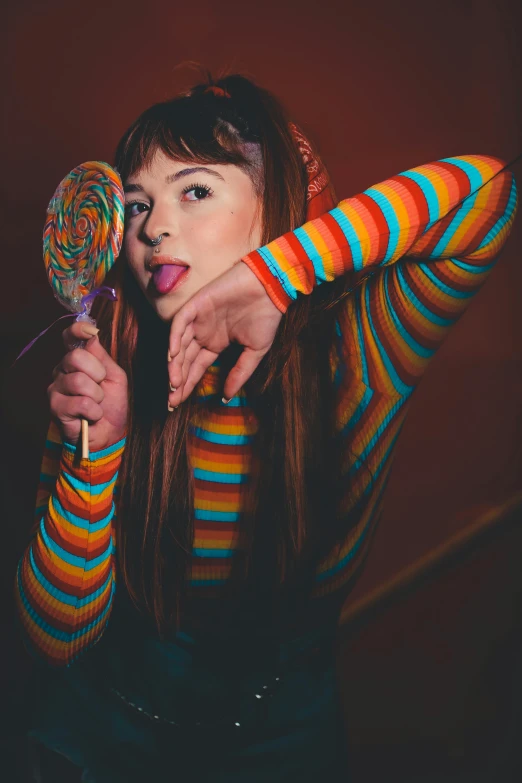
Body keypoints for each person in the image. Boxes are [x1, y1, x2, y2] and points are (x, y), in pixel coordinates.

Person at [14, 73, 518, 782]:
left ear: (272, 206)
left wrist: (279, 272)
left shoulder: (361, 356)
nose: (153, 227)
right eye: (136, 205)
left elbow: (487, 194)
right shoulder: (108, 371)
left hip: (281, 750)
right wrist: (92, 459)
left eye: (194, 191)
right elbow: (55, 639)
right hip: (104, 744)